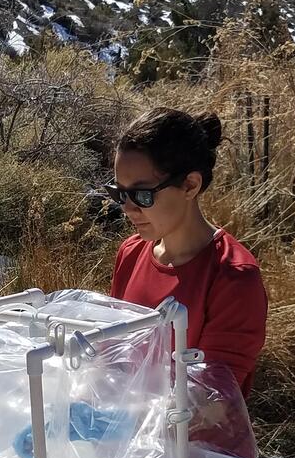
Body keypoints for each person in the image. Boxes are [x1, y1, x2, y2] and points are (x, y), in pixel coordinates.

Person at [107, 107, 268, 398]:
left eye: (142, 195)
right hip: (128, 432)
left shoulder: (233, 277)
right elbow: (118, 354)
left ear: (190, 185)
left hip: (193, 442)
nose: (128, 209)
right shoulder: (130, 253)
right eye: (119, 193)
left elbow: (212, 401)